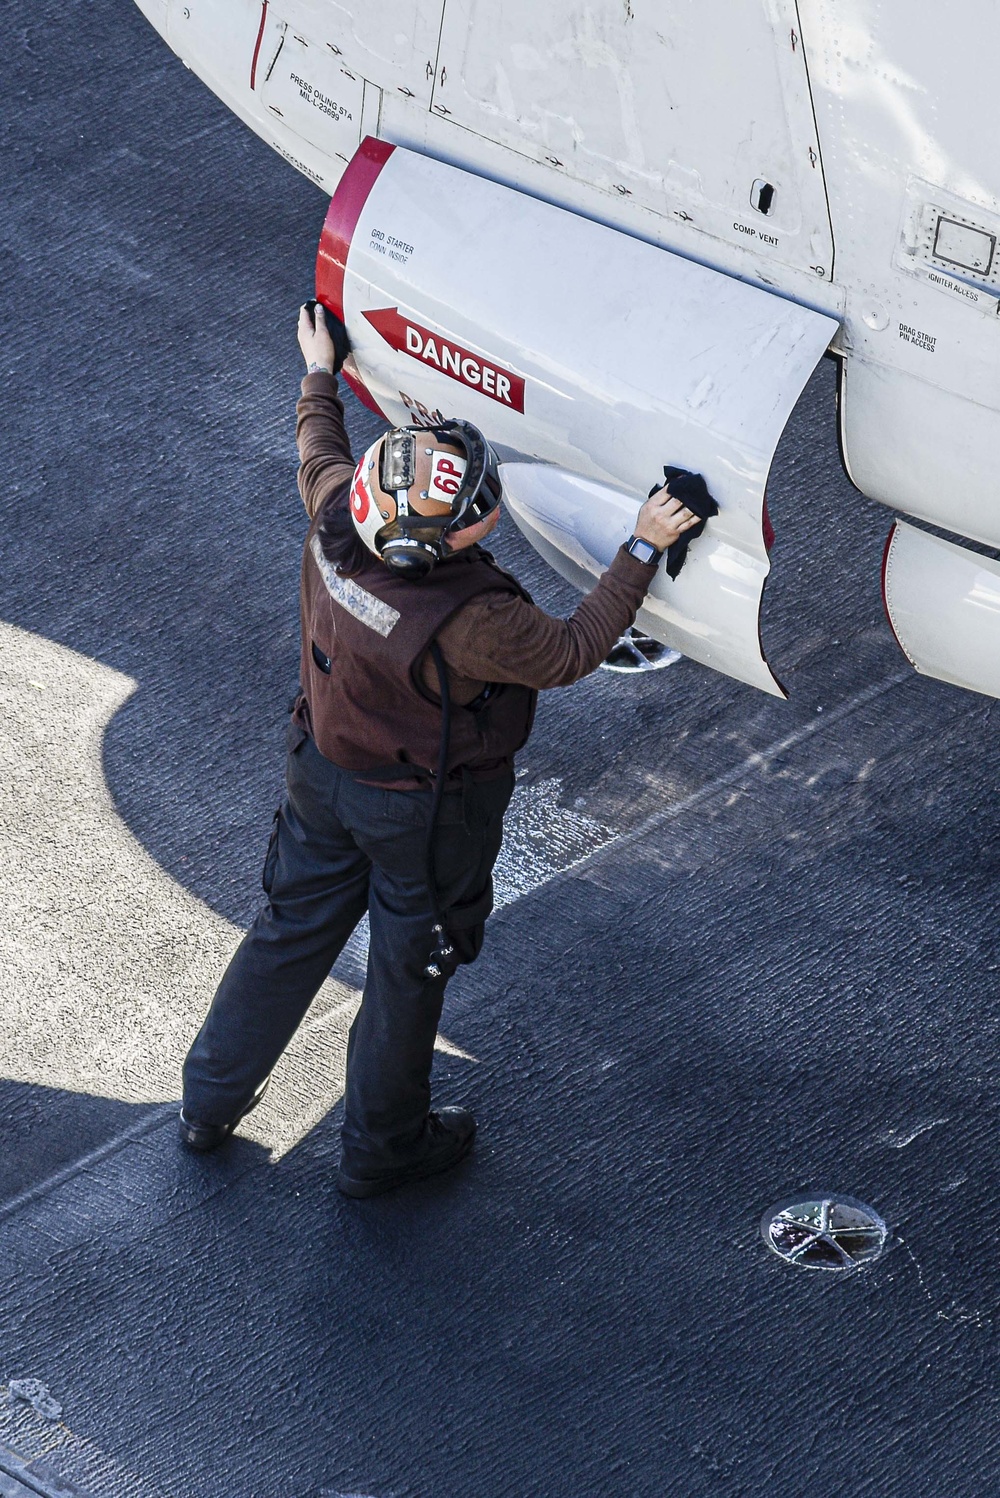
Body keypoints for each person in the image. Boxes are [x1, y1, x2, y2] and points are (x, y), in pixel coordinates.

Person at [178, 302, 705, 1198]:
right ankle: (382, 1150)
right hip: (423, 815)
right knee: (404, 975)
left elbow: (317, 446)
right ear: (439, 540)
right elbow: (573, 650)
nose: (486, 503)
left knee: (287, 932)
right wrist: (643, 546)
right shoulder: (478, 623)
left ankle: (207, 1103)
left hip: (321, 772)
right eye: (474, 507)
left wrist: (321, 368)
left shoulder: (335, 517)